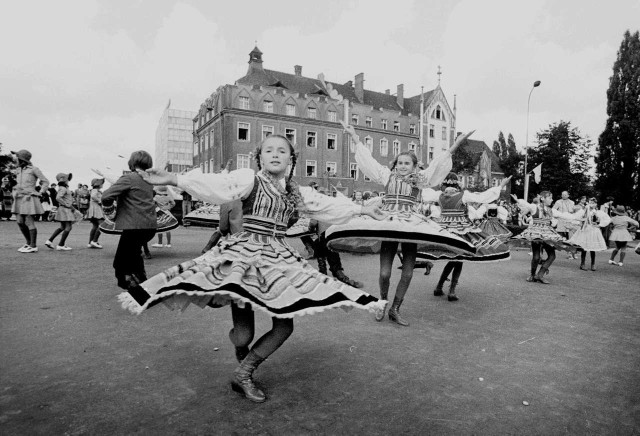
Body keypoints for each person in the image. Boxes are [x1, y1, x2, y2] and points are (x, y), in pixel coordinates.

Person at [117, 135, 386, 403]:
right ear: (259, 157)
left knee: (284, 326)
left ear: (291, 159)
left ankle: (243, 373)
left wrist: (363, 209)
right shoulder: (249, 180)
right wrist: (175, 179)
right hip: (244, 258)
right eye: (269, 150)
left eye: (282, 150)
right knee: (242, 335)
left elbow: (326, 206)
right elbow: (219, 185)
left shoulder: (296, 192)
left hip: (279, 259)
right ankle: (230, 319)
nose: (275, 154)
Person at [326, 123, 476, 325]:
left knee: (407, 272)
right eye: (399, 163)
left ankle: (395, 308)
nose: (402, 166)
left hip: (411, 225)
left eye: (407, 163)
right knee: (385, 273)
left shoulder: (420, 180)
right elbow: (368, 161)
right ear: (395, 165)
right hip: (390, 223)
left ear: (414, 166)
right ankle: (383, 302)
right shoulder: (387, 176)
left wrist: (456, 144)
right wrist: (354, 137)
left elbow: (438, 164)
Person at [420, 173, 512, 301]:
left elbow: (424, 192)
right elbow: (483, 197)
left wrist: (420, 178)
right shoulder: (463, 195)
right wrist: (500, 185)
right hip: (461, 230)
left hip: (444, 229)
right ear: (457, 184)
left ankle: (440, 286)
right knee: (459, 259)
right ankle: (450, 290)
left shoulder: (439, 195)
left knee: (454, 259)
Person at [101, 151, 157, 291]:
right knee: (134, 259)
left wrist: (110, 211)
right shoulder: (149, 179)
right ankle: (144, 288)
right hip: (149, 226)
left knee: (121, 263)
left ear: (132, 163)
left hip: (134, 226)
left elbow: (106, 196)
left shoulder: (129, 178)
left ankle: (138, 293)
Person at [512, 191, 582, 284]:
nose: (552, 200)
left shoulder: (551, 210)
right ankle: (533, 275)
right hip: (536, 233)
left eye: (551, 198)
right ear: (542, 198)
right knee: (536, 257)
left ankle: (539, 275)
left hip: (547, 234)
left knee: (551, 255)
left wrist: (578, 215)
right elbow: (527, 205)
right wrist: (518, 201)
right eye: (550, 198)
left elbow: (564, 215)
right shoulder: (535, 207)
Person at [10, 149, 49, 253]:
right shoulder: (18, 170)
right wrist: (14, 190)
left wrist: (40, 192)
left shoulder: (34, 169)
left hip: (29, 198)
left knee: (28, 221)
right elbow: (18, 183)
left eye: (17, 157)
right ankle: (28, 242)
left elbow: (45, 182)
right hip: (19, 197)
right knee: (19, 221)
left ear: (22, 159)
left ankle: (33, 245)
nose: (15, 159)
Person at [568, 198, 610, 271]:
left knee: (592, 248)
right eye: (591, 202)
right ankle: (582, 263)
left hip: (593, 230)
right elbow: (576, 217)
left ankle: (593, 264)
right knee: (584, 247)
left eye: (594, 203)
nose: (592, 204)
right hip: (586, 230)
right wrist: (581, 222)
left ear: (596, 204)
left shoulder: (598, 212)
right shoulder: (584, 211)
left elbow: (607, 219)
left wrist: (600, 225)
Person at [45, 173, 76, 251]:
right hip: (66, 209)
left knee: (62, 227)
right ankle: (61, 244)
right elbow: (58, 198)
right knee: (68, 227)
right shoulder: (63, 188)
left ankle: (49, 240)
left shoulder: (61, 188)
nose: (68, 180)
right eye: (67, 179)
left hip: (62, 209)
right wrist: (67, 204)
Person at [86, 178, 105, 248]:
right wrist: (99, 201)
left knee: (95, 226)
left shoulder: (95, 190)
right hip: (96, 209)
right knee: (102, 225)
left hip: (93, 209)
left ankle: (90, 242)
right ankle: (94, 241)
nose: (102, 184)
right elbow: (93, 196)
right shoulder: (95, 190)